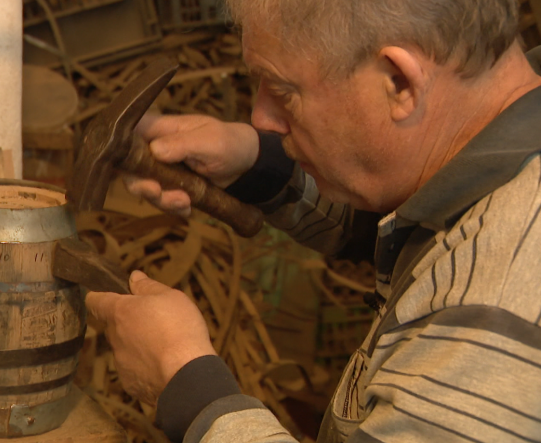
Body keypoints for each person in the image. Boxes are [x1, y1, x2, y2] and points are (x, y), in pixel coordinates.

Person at [84, 0, 541, 442]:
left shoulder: (488, 316)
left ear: (399, 82)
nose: (261, 118)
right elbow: (419, 228)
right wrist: (261, 166)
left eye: (283, 92)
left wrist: (186, 387)